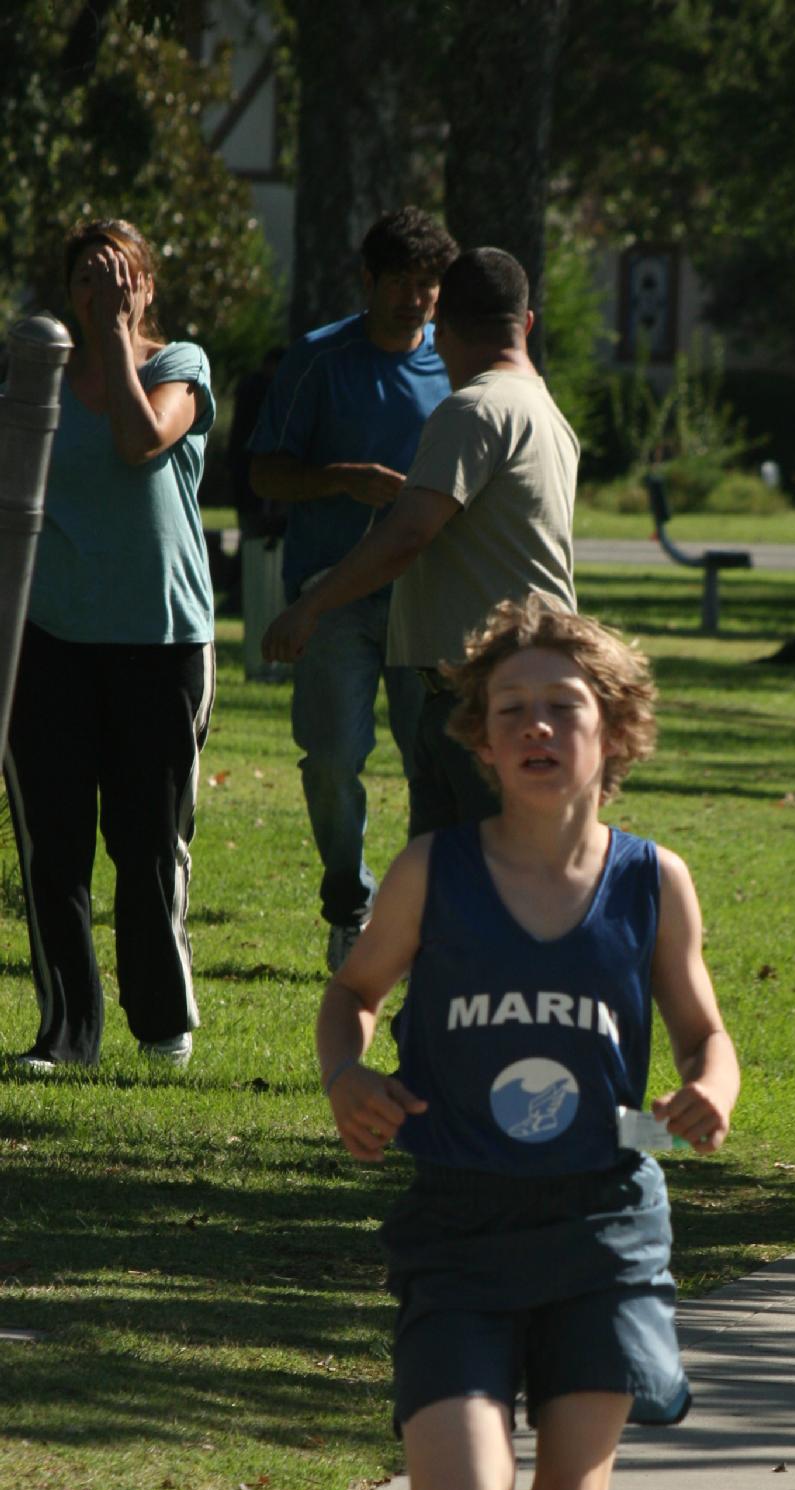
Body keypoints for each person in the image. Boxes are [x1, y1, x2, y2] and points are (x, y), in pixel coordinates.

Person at [316, 595, 739, 1490]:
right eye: (514, 711)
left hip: (604, 1224)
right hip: (459, 1224)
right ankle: (475, 1423)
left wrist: (710, 1088)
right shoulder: (432, 870)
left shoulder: (652, 880)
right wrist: (347, 1073)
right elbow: (353, 993)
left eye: (565, 707)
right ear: (481, 739)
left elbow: (706, 1030)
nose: (539, 728)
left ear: (617, 731)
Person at [263, 247, 578, 841]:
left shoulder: (474, 409)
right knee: (453, 882)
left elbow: (407, 535)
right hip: (523, 684)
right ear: (527, 322)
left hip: (487, 697)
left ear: (442, 327)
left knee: (481, 882)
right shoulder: (543, 409)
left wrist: (310, 606)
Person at [3, 216, 216, 1070]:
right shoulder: (34, 381)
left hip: (160, 641)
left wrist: (121, 338)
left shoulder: (179, 366)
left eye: (120, 275)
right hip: (47, 641)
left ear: (148, 287)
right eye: (87, 278)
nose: (104, 292)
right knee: (52, 849)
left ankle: (163, 1022)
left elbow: (138, 442)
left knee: (148, 842)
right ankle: (67, 1033)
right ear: (67, 294)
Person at [248, 207, 457, 969]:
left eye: (428, 284)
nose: (414, 298)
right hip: (329, 593)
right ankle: (349, 901)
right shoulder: (318, 359)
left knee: (434, 765)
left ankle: (430, 918)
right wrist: (339, 478)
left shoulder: (457, 365)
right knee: (333, 760)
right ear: (367, 281)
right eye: (399, 281)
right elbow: (264, 472)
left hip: (425, 598)